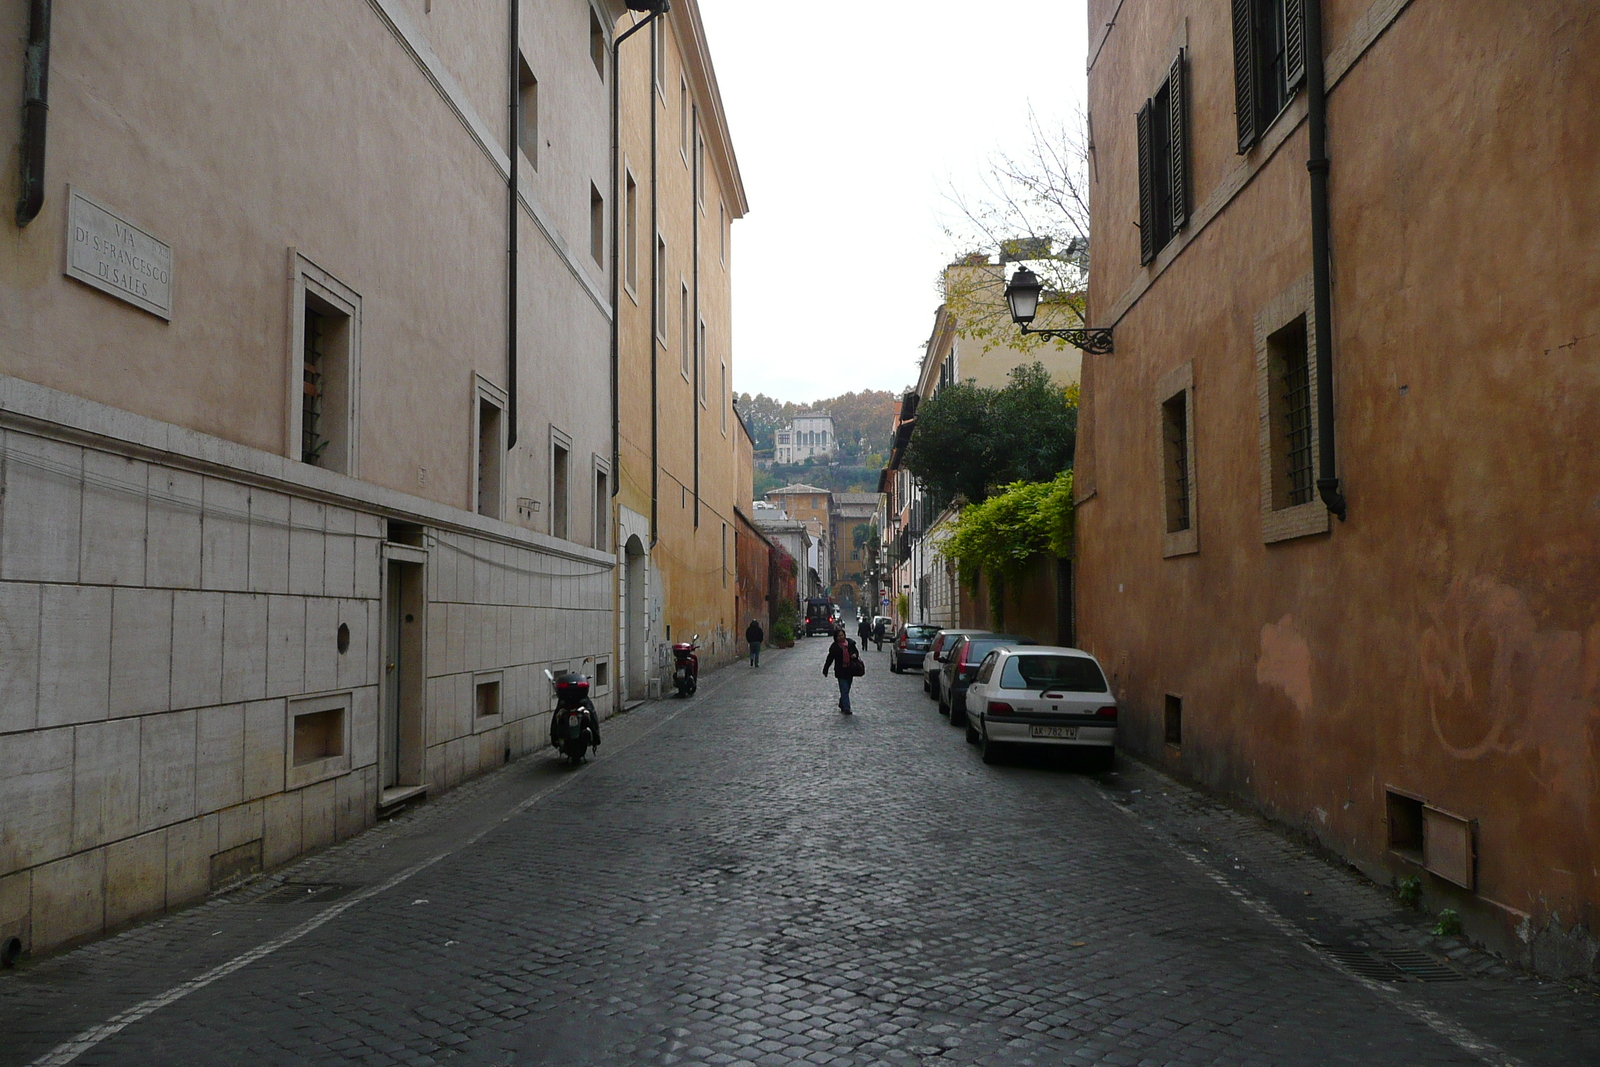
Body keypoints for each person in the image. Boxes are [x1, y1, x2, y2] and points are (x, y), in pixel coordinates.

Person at [823, 628, 860, 714]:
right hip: (840, 671)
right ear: (836, 637)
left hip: (850, 670)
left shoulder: (850, 644)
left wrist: (855, 655)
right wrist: (826, 668)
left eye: (842, 635)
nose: (841, 637)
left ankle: (842, 702)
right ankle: (847, 708)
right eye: (839, 636)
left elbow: (856, 652)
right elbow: (830, 658)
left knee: (847, 689)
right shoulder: (834, 647)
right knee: (844, 689)